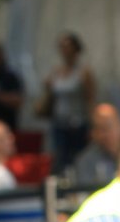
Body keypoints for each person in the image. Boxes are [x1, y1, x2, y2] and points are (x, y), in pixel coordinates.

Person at [36, 31, 96, 174]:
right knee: (60, 159)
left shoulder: (83, 72)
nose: (65, 50)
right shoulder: (57, 71)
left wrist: (93, 125)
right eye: (62, 47)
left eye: (68, 47)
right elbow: (51, 95)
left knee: (77, 158)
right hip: (59, 123)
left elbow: (90, 99)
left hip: (78, 124)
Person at [71, 102, 120, 189]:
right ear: (93, 133)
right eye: (99, 129)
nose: (104, 134)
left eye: (108, 127)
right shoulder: (85, 161)